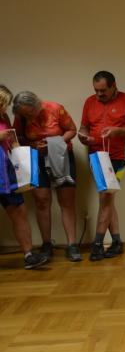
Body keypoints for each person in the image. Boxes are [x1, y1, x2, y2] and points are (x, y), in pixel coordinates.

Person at [78, 70, 125, 261]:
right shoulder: (89, 102)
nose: (99, 94)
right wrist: (84, 137)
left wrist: (117, 131)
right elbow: (83, 128)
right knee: (107, 199)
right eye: (96, 90)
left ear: (114, 86)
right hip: (96, 157)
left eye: (103, 90)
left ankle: (97, 245)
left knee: (106, 198)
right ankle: (117, 242)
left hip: (119, 157)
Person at [12, 91, 80, 262]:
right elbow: (17, 138)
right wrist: (33, 145)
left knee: (67, 201)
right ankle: (46, 244)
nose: (28, 117)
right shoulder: (20, 116)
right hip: (37, 159)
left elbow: (72, 130)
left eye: (30, 113)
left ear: (37, 105)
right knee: (41, 200)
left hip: (61, 156)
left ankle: (72, 245)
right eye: (25, 115)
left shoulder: (55, 108)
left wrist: (53, 144)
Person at [0, 85, 48, 269]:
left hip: (6, 171)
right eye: (3, 104)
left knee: (20, 210)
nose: (5, 108)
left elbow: (12, 139)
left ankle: (29, 255)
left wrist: (23, 158)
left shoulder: (4, 117)